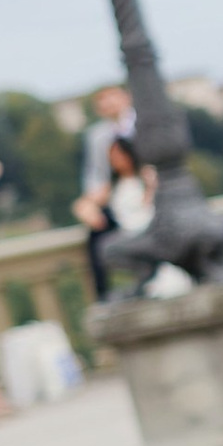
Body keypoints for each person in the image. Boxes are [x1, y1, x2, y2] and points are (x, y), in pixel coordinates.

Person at [70, 80, 133, 301]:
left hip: (139, 191)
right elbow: (94, 174)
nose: (108, 103)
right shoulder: (97, 136)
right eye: (101, 100)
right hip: (112, 197)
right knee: (96, 237)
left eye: (111, 96)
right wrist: (89, 203)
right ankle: (104, 295)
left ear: (126, 97)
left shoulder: (142, 125)